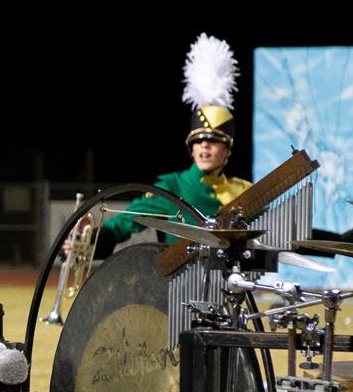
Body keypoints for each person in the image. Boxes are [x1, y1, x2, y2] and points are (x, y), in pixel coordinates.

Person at [91, 34, 252, 258]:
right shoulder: (173, 186)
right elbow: (131, 218)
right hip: (181, 285)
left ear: (227, 151)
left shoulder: (243, 190)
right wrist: (96, 238)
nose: (204, 146)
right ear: (192, 149)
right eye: (198, 141)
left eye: (213, 142)